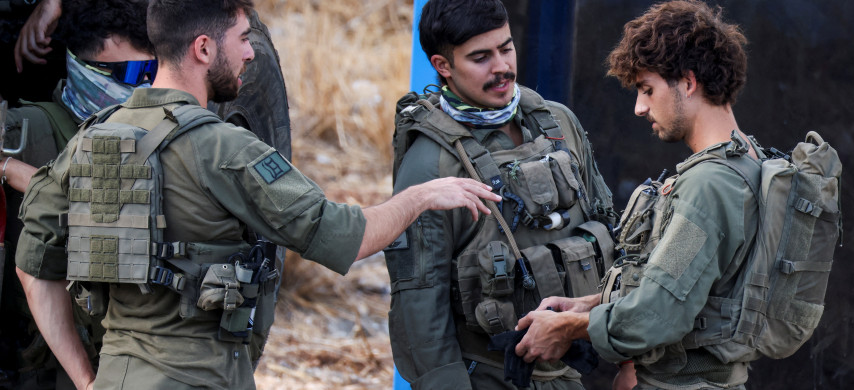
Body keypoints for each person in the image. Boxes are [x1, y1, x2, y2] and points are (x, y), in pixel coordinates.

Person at [14, 1, 501, 390]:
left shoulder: (89, 139)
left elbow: (32, 265)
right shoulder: (225, 149)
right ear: (203, 49)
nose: (251, 54)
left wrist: (85, 379)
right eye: (243, 40)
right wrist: (422, 195)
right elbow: (346, 237)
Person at [515, 1, 762, 389]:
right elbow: (693, 293)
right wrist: (589, 305)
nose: (639, 107)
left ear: (688, 82)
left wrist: (568, 328)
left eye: (647, 89)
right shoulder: (750, 160)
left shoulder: (710, 187)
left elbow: (656, 314)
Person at [385, 0, 617, 389]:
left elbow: (611, 235)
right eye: (480, 57)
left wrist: (627, 360)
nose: (502, 68)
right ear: (443, 66)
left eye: (506, 48)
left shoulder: (558, 124)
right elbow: (419, 308)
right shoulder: (430, 165)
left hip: (572, 374)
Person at [1, 1, 154, 388]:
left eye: (150, 71)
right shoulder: (28, 131)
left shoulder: (160, 140)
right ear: (89, 72)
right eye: (132, 73)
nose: (145, 87)